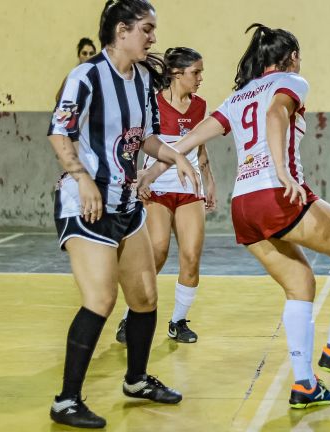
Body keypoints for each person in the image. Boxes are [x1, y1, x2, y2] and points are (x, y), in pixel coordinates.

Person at [138, 23, 330, 409]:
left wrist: (155, 168)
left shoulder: (240, 95)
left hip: (242, 206)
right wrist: (282, 171)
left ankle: (304, 385)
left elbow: (200, 132)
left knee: (300, 283)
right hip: (274, 194)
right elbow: (278, 114)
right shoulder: (292, 82)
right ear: (292, 57)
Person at [48, 0, 199, 428]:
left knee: (145, 298)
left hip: (127, 204)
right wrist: (81, 178)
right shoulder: (87, 76)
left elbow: (146, 139)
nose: (153, 38)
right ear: (121, 30)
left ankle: (135, 380)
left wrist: (175, 156)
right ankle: (66, 400)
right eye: (147, 29)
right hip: (87, 205)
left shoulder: (142, 83)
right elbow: (60, 135)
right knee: (100, 300)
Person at [116, 47, 216, 344]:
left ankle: (179, 321)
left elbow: (199, 147)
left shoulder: (200, 106)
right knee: (156, 251)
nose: (200, 78)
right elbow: (137, 145)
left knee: (191, 256)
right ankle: (129, 316)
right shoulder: (153, 104)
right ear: (176, 74)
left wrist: (209, 181)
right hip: (157, 187)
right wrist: (136, 180)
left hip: (189, 188)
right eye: (195, 72)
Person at [55, 38, 97, 102]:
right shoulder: (72, 76)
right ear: (79, 55)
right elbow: (58, 98)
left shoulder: (98, 77)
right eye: (84, 53)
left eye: (91, 54)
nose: (88, 57)